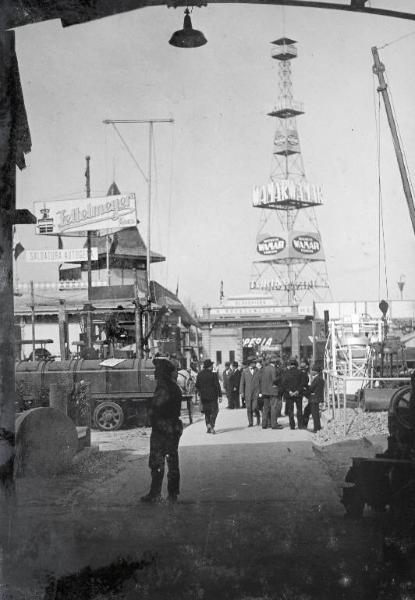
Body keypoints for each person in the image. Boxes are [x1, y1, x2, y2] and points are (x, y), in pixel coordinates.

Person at [141, 357, 183, 504]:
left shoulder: (164, 388)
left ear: (162, 372)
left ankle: (155, 494)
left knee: (157, 462)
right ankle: (172, 494)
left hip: (163, 428)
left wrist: (150, 412)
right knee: (172, 461)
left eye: (157, 370)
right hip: (172, 427)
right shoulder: (173, 386)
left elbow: (158, 407)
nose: (155, 372)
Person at [195, 358, 222, 434]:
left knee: (207, 412)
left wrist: (200, 392)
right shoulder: (213, 375)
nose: (212, 366)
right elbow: (217, 386)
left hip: (204, 397)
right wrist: (220, 396)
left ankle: (208, 426)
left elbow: (197, 385)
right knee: (215, 411)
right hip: (213, 397)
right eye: (212, 365)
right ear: (210, 366)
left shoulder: (199, 374)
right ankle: (211, 425)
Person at [261, 355, 283, 429]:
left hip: (265, 391)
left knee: (265, 408)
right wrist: (280, 378)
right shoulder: (273, 369)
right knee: (273, 407)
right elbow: (274, 380)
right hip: (272, 391)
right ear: (275, 362)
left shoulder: (264, 368)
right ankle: (274, 424)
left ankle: (264, 424)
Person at [281, 358, 304, 430]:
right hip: (298, 394)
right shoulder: (300, 372)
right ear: (296, 364)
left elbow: (284, 383)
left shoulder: (286, 373)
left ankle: (292, 426)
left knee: (290, 410)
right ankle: (300, 425)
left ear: (290, 365)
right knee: (299, 410)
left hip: (289, 395)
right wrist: (297, 391)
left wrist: (289, 391)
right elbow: (302, 383)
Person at [239, 358, 261, 427]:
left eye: (255, 362)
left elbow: (260, 382)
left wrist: (260, 392)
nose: (255, 364)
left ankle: (258, 416)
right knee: (249, 408)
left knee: (254, 407)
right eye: (253, 362)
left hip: (256, 392)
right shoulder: (244, 371)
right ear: (250, 363)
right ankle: (250, 422)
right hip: (247, 393)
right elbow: (242, 382)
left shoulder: (258, 371)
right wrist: (241, 392)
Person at [303, 365, 325, 432]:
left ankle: (316, 428)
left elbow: (312, 389)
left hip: (314, 399)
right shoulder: (320, 379)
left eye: (312, 370)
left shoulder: (317, 379)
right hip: (316, 398)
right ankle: (305, 425)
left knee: (314, 414)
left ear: (316, 372)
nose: (311, 371)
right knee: (307, 410)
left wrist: (305, 389)